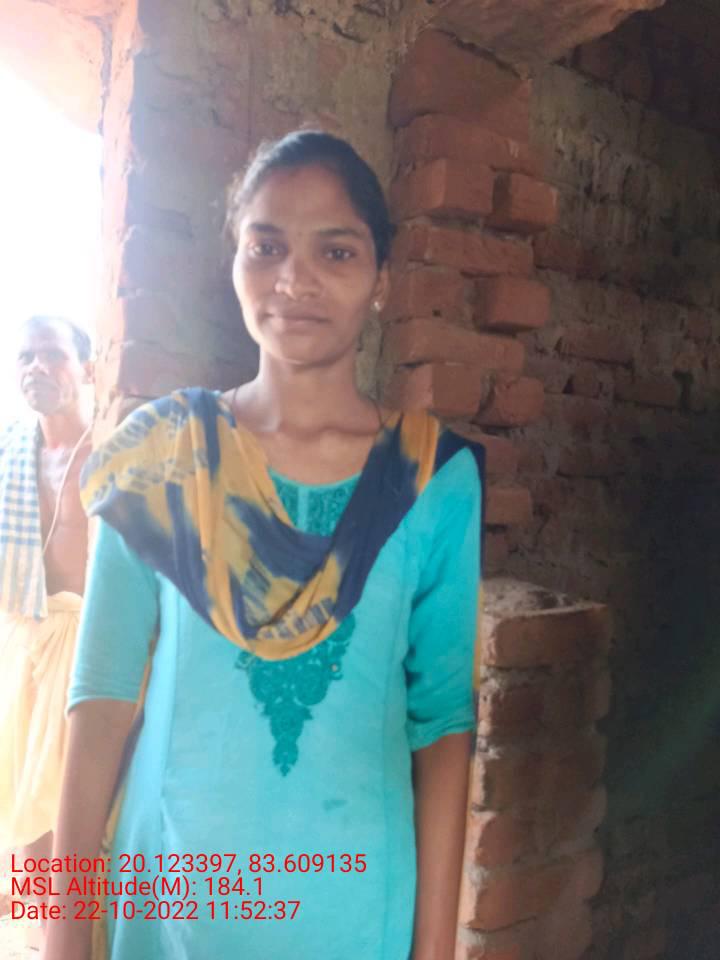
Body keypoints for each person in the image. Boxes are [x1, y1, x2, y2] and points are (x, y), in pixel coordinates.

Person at [43, 131, 484, 960]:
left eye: (336, 251)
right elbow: (100, 702)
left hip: (357, 911)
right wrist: (66, 940)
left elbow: (442, 728)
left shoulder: (433, 479)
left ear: (382, 282)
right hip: (169, 904)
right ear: (235, 262)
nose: (294, 279)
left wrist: (433, 951)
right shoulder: (158, 459)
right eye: (267, 246)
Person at [0, 316, 93, 931]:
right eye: (26, 356)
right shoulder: (10, 449)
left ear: (87, 367)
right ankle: (43, 932)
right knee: (22, 793)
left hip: (88, 639)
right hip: (24, 634)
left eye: (53, 354)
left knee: (74, 800)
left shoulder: (112, 448)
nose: (37, 367)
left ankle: (79, 931)